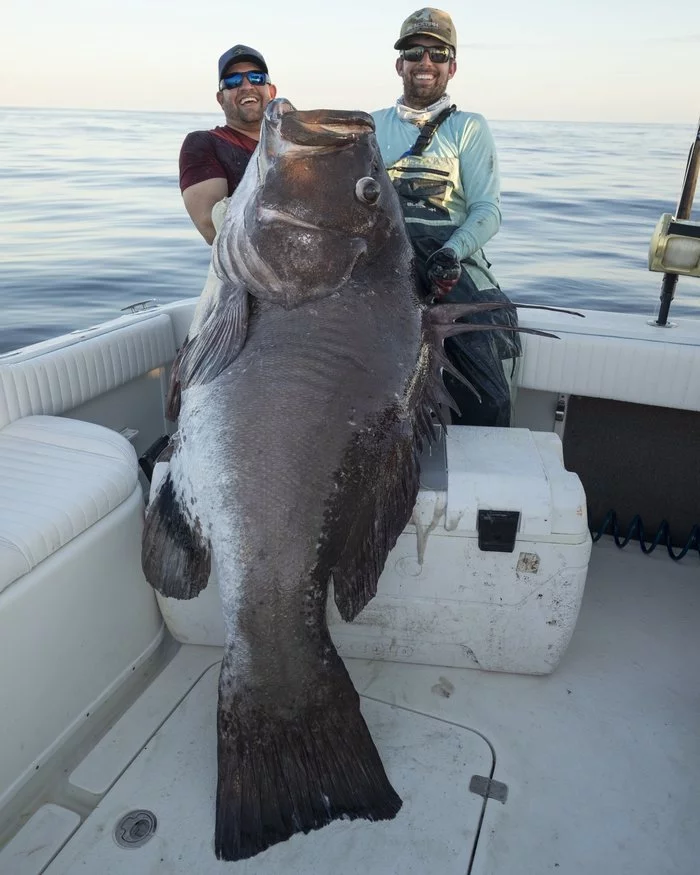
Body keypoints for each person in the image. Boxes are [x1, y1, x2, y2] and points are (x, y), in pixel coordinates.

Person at [372, 9, 520, 427]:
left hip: (448, 267)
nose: (426, 62)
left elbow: (487, 211)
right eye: (415, 52)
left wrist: (451, 253)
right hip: (384, 267)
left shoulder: (469, 128)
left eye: (438, 53)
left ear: (452, 67)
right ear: (399, 63)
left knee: (486, 395)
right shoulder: (369, 126)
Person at [179, 45, 277, 244]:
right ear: (220, 98)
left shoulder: (293, 145)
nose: (246, 86)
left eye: (256, 77)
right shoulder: (204, 144)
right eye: (233, 81)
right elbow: (211, 227)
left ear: (272, 91)